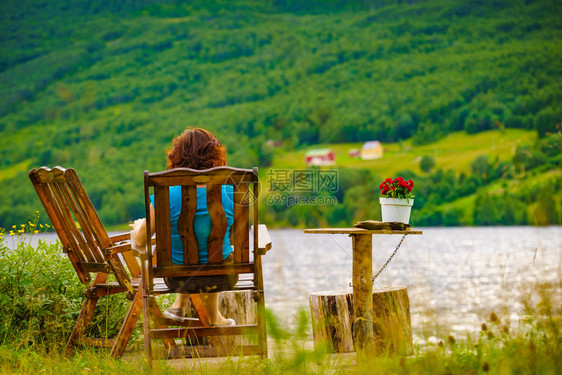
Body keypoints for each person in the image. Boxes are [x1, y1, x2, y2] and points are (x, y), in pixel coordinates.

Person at [130, 127, 236, 326]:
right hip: (224, 277)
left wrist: (138, 226)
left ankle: (182, 306)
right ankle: (214, 318)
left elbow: (140, 240)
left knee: (184, 254)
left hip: (177, 278)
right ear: (214, 155)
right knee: (216, 253)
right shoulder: (230, 191)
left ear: (177, 156)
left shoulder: (165, 195)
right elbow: (235, 237)